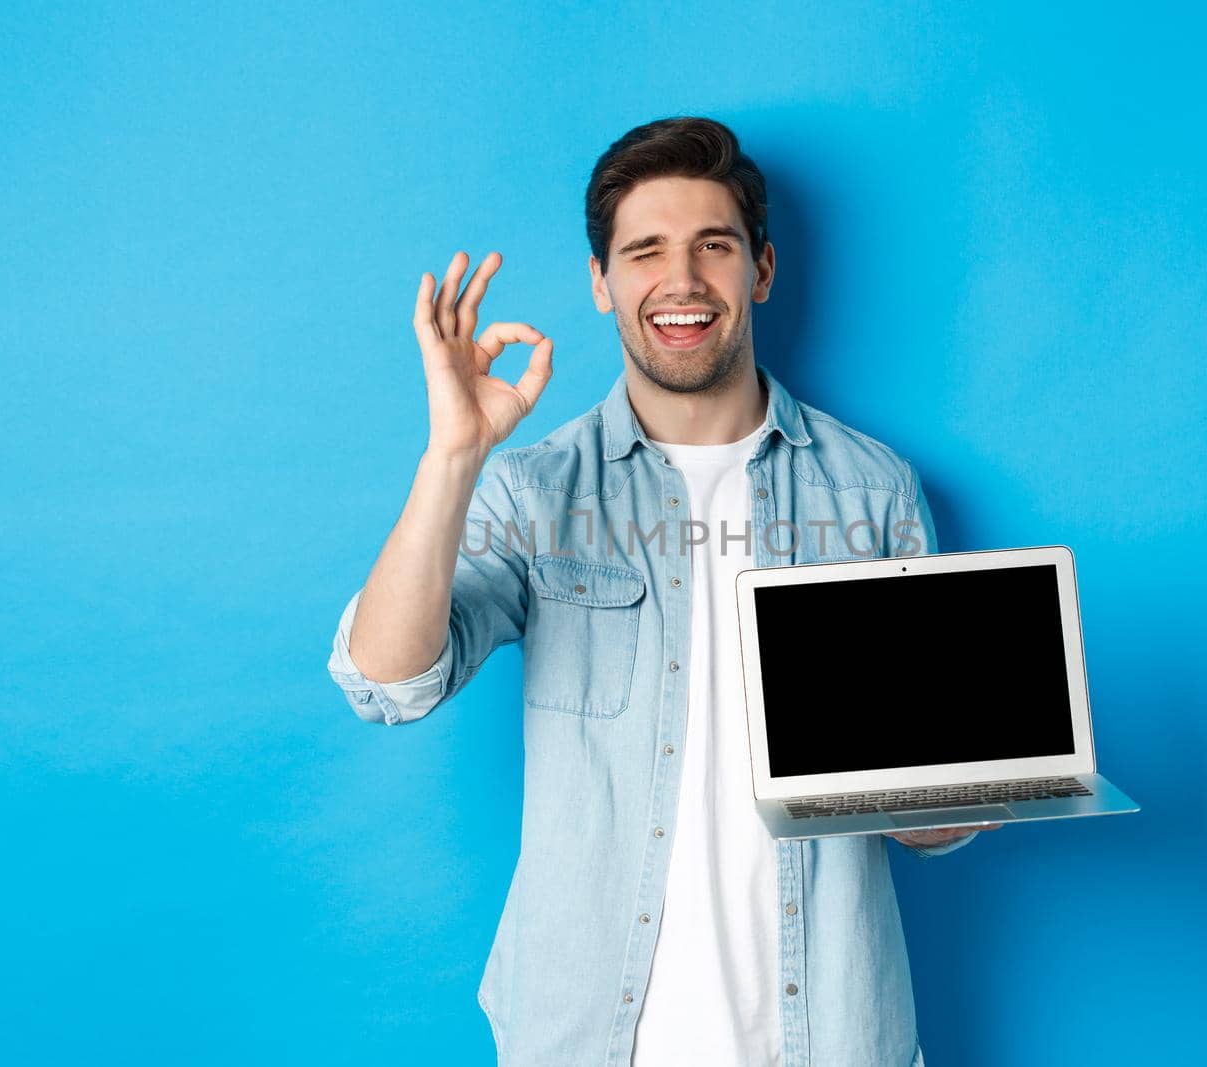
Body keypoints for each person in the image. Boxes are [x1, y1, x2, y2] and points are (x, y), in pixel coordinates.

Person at [326, 116, 1000, 1067]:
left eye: (712, 247)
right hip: (589, 1038)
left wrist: (974, 780)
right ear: (601, 282)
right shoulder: (534, 489)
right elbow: (387, 681)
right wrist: (453, 458)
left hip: (832, 1037)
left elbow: (931, 819)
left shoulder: (874, 490)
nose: (680, 281)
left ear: (760, 271)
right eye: (645, 251)